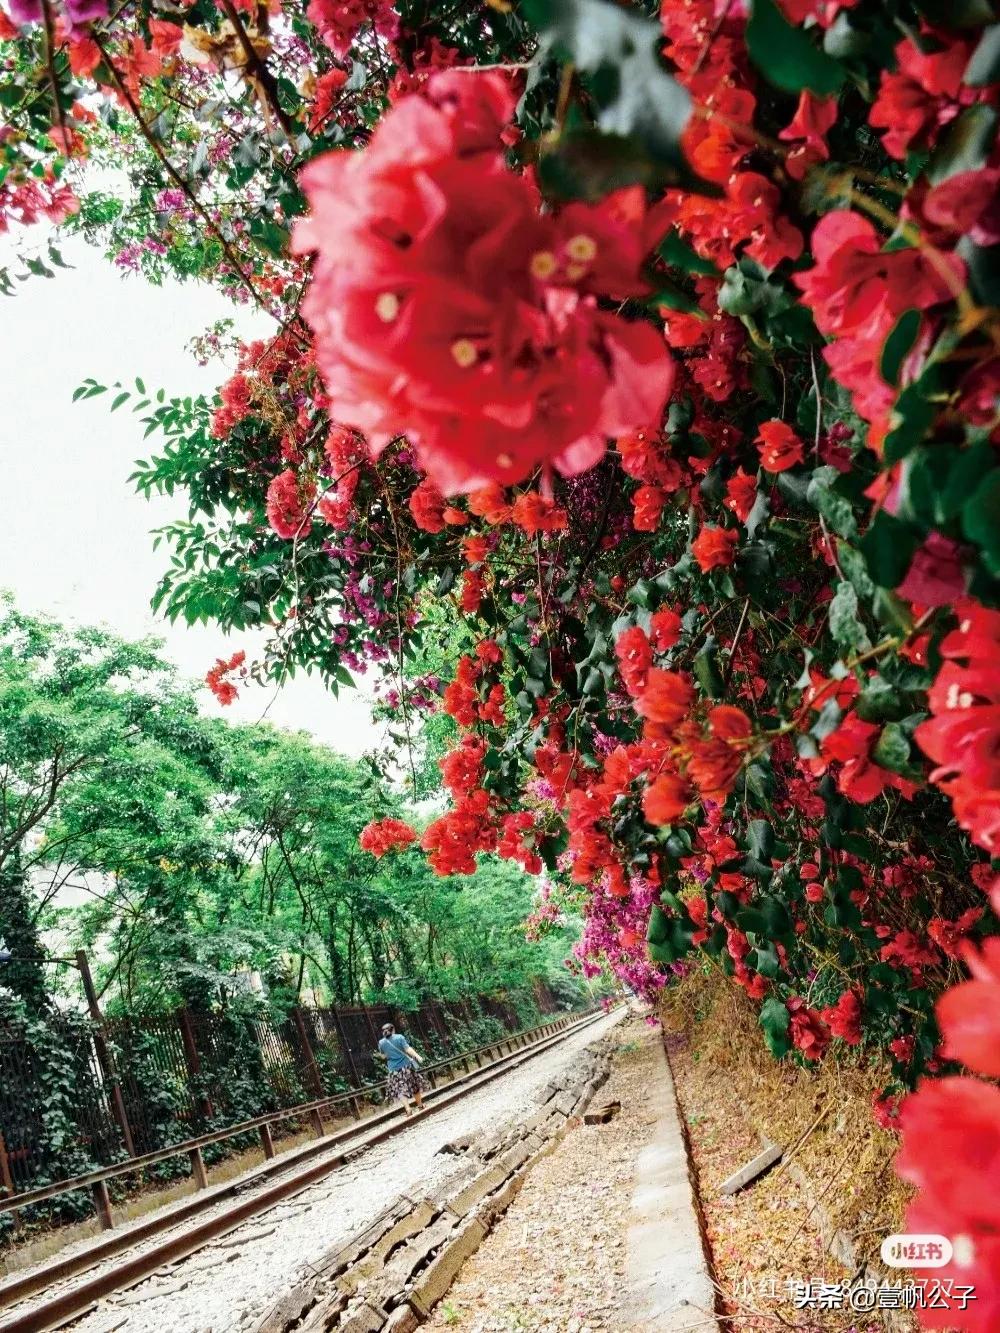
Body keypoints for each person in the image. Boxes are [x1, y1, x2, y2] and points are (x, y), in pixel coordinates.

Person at [377, 1022, 427, 1115]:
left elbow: (384, 1056)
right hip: (406, 1067)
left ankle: (408, 1109)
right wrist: (418, 1056)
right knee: (414, 1086)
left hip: (393, 1070)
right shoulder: (399, 1037)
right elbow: (407, 1049)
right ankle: (420, 1105)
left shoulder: (381, 1043)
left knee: (400, 1090)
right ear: (393, 1030)